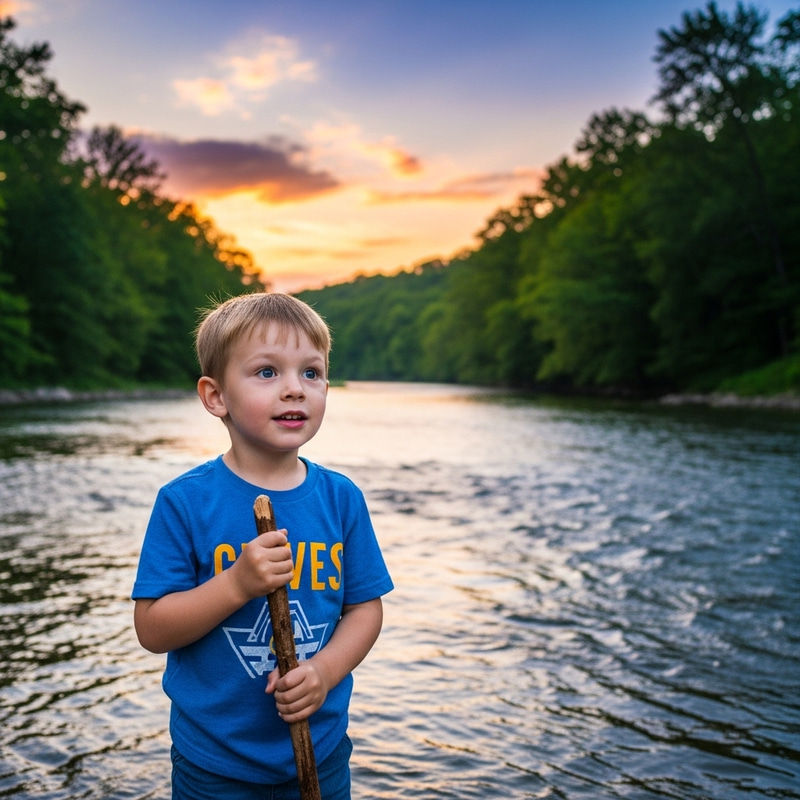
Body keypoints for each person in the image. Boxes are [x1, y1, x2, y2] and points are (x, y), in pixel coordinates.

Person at [132, 292, 393, 799]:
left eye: (311, 373)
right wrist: (237, 584)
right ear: (216, 397)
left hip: (321, 752)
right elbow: (152, 628)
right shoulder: (185, 502)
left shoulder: (341, 499)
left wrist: (324, 670)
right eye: (267, 372)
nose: (295, 389)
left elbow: (365, 609)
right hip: (215, 765)